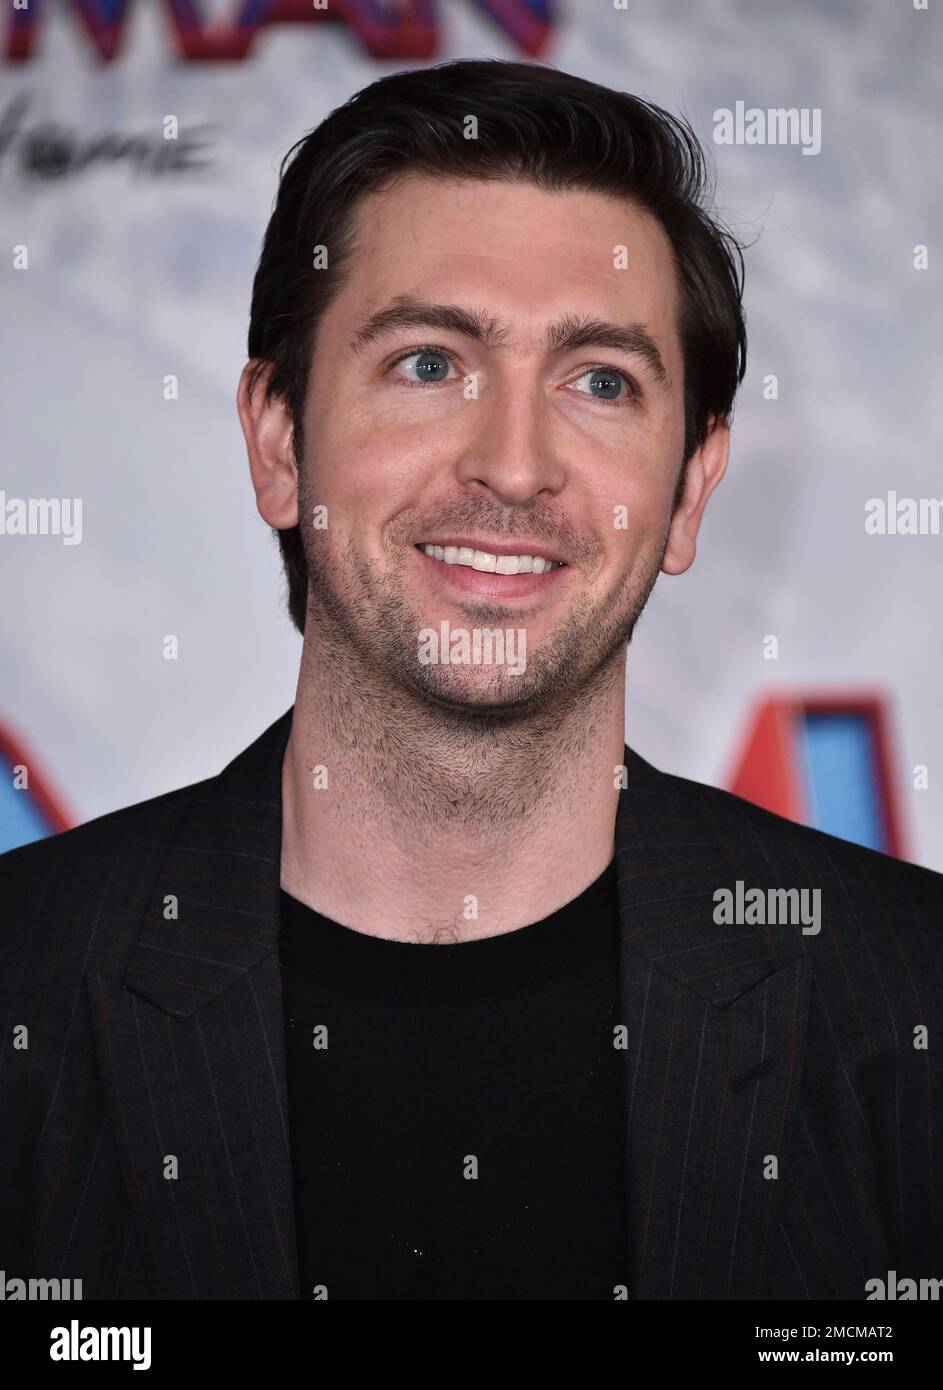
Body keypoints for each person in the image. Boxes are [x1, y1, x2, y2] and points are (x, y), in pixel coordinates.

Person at [2, 59, 941, 1302]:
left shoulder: (905, 1002)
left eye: (599, 380)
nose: (512, 465)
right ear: (279, 442)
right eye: (429, 363)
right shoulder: (26, 977)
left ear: (690, 490)